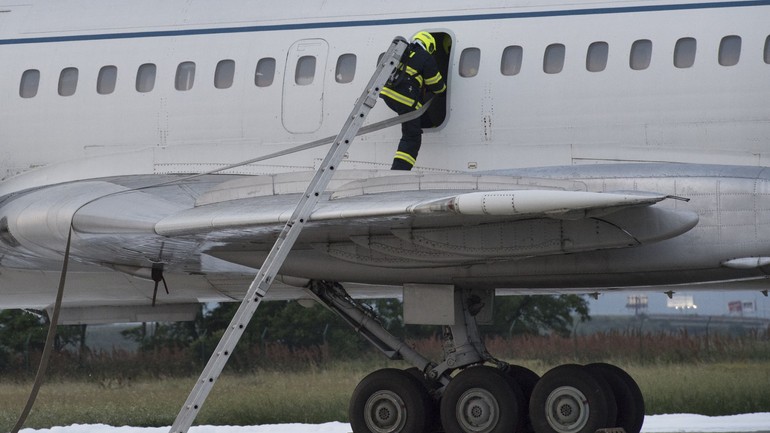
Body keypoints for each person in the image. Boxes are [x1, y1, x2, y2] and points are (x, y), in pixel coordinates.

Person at [380, 31, 447, 170]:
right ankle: (399, 171)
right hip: (404, 99)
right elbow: (436, 84)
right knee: (412, 136)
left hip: (387, 94)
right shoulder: (425, 57)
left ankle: (428, 123)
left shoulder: (404, 52)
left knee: (417, 112)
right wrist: (442, 90)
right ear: (428, 46)